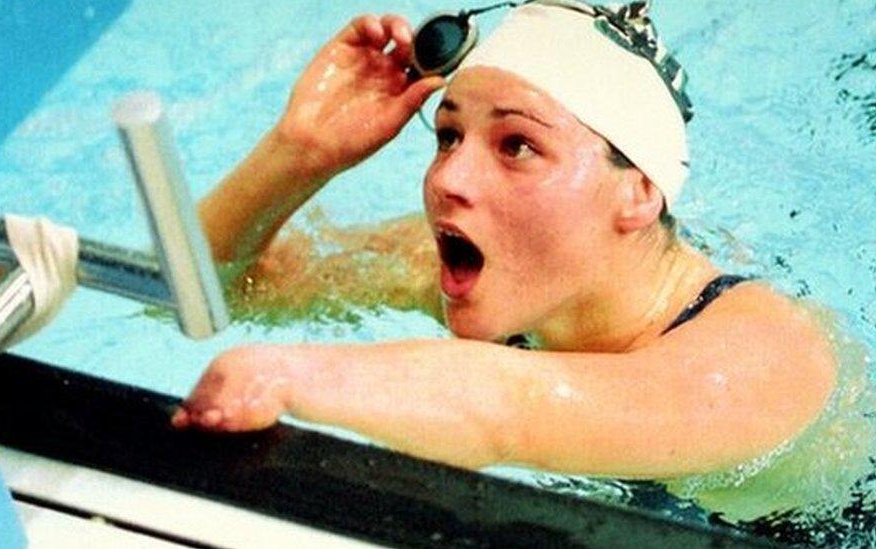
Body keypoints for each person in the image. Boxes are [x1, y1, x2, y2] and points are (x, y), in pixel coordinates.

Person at [172, 2, 837, 482]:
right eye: (448, 135)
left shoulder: (763, 353)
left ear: (637, 192)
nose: (447, 179)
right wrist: (297, 155)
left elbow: (510, 408)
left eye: (517, 145)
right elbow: (212, 292)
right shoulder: (495, 267)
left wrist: (287, 373)